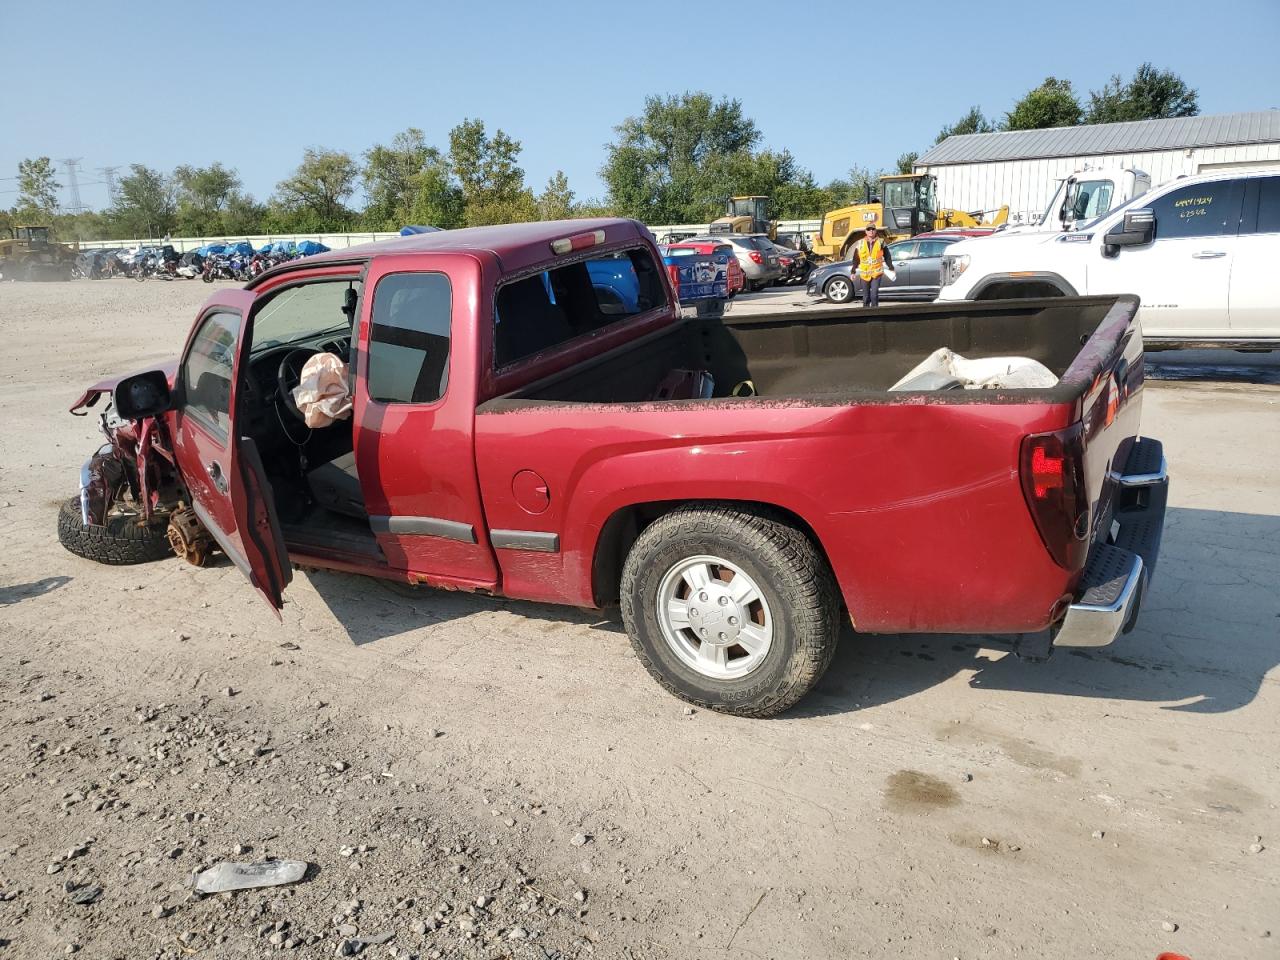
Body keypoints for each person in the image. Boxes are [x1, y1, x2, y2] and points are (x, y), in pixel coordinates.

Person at [851, 223, 893, 307]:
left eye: (873, 229)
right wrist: (853, 271)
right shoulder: (860, 243)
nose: (871, 231)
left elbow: (887, 256)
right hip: (864, 274)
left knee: (874, 295)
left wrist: (891, 267)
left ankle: (875, 314)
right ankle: (865, 316)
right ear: (866, 232)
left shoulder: (881, 242)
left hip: (876, 274)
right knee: (866, 297)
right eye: (869, 229)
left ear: (875, 231)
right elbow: (856, 259)